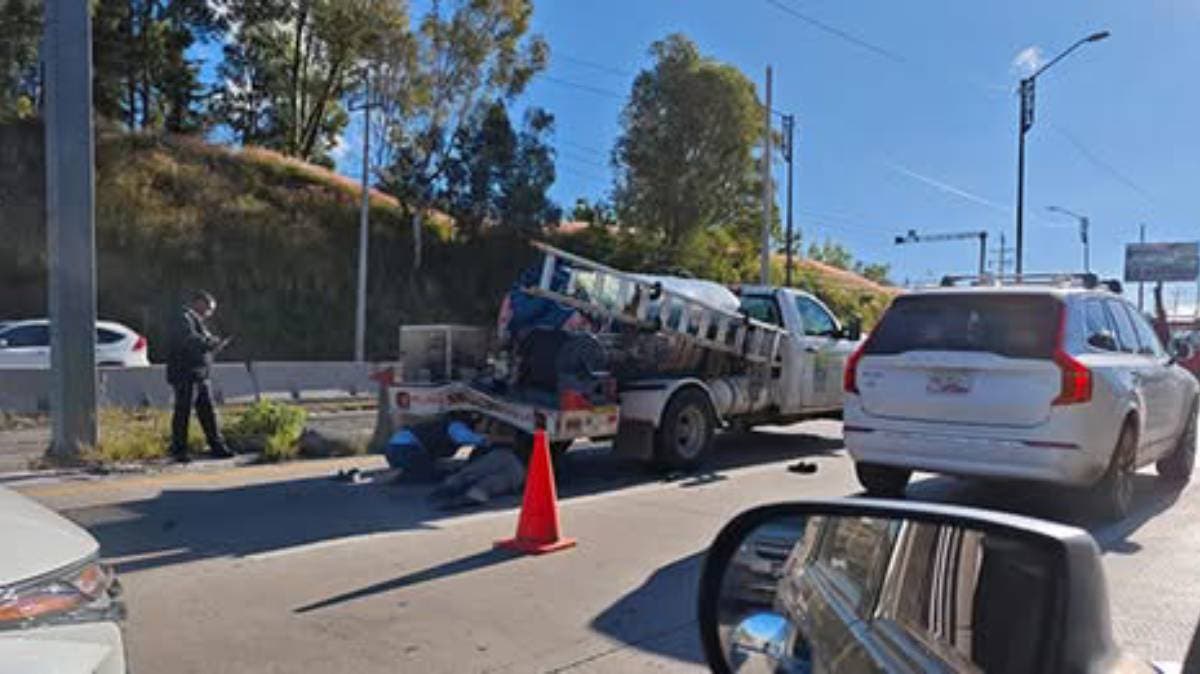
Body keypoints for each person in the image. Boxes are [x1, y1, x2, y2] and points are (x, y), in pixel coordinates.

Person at [167, 290, 232, 461]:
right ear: (199, 303)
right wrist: (211, 343)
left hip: (199, 374)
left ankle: (217, 446)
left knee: (208, 412)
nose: (209, 313)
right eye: (209, 308)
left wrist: (213, 345)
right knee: (183, 413)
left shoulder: (195, 321)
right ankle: (179, 450)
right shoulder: (183, 318)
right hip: (186, 374)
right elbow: (190, 341)